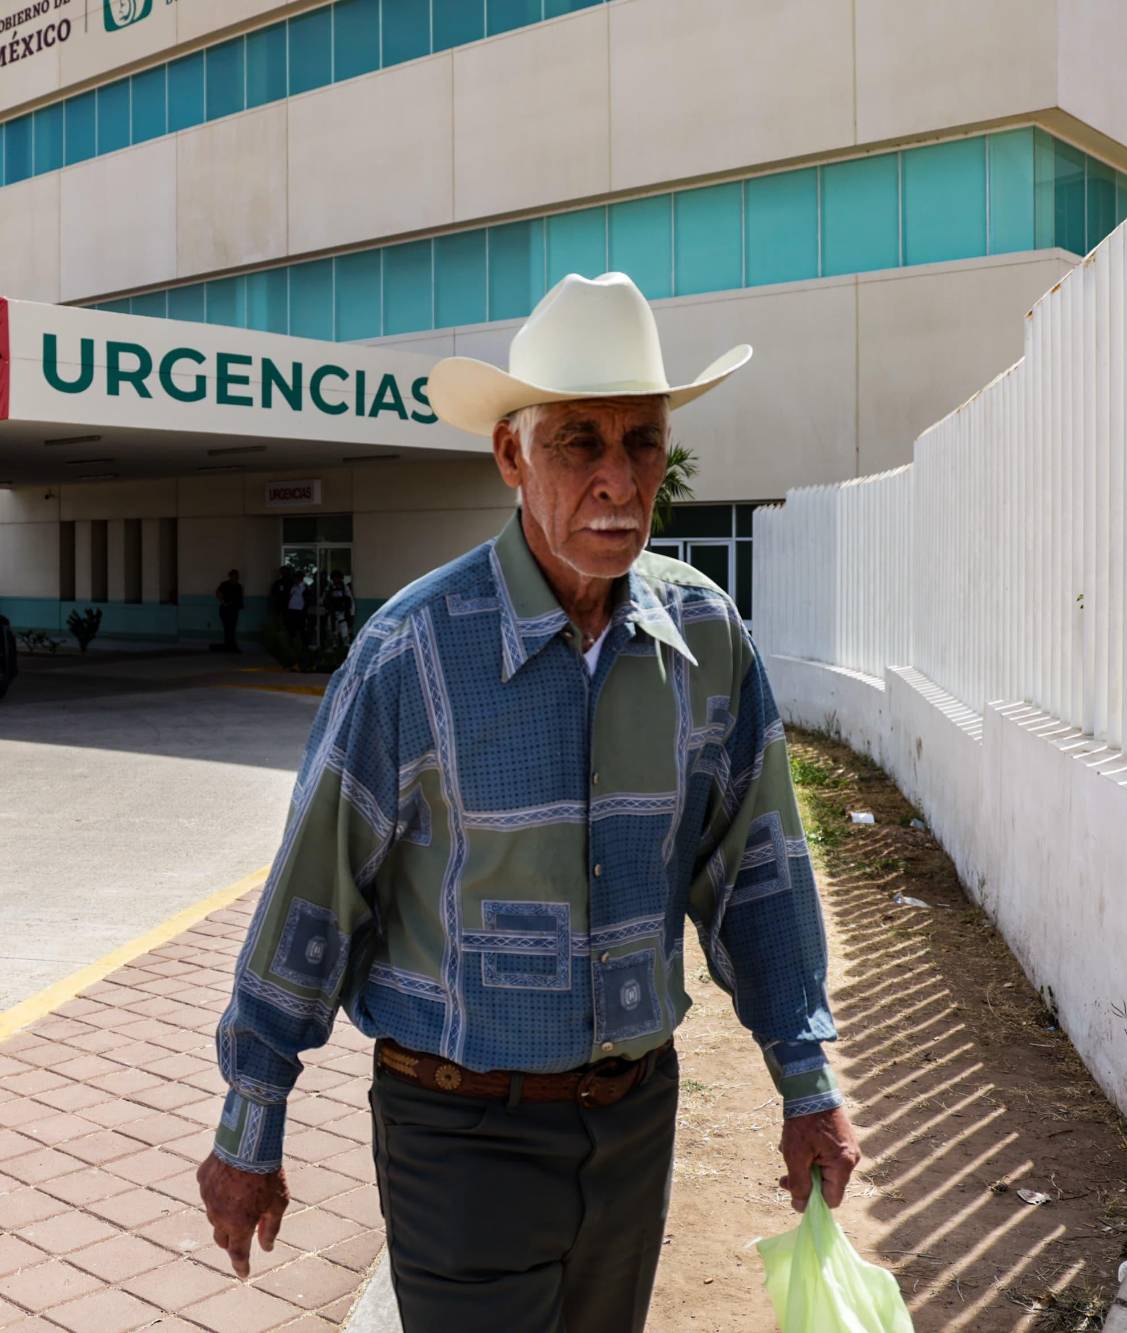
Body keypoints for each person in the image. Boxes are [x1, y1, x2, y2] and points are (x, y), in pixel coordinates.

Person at [197, 272, 859, 1332]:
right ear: (510, 455)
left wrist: (803, 1078)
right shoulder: (411, 654)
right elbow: (312, 893)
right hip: (457, 1137)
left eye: (639, 442)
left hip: (636, 1119)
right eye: (577, 441)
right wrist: (250, 1120)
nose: (615, 478)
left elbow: (758, 875)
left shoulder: (706, 644)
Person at [215, 569, 245, 652]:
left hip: (234, 609)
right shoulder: (225, 584)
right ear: (230, 576)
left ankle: (230, 646)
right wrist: (223, 602)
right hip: (225, 609)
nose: (235, 578)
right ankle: (229, 646)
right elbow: (217, 593)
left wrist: (239, 606)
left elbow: (239, 598)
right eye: (233, 576)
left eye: (236, 576)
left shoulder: (239, 586)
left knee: (232, 628)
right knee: (228, 628)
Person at [282, 570, 308, 666]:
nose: (295, 579)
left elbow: (306, 598)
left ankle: (302, 647)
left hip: (299, 611)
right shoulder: (293, 587)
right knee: (291, 629)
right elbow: (288, 597)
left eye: (297, 578)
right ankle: (293, 644)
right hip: (291, 610)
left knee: (300, 630)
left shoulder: (304, 587)